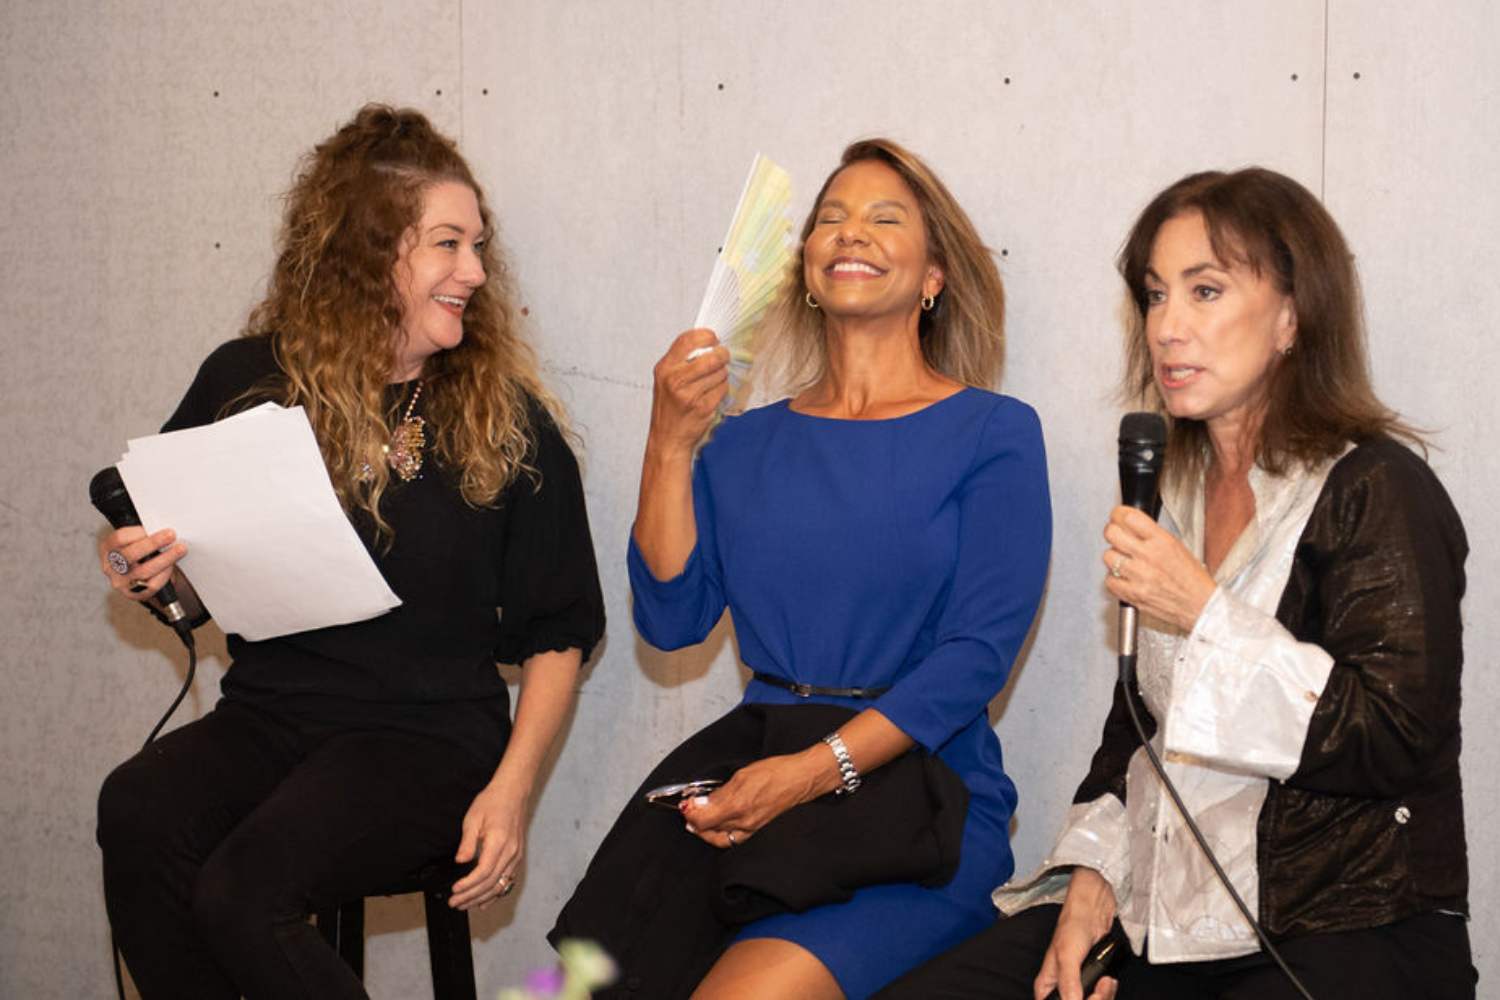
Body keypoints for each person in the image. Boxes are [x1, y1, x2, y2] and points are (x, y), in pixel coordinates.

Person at [877, 167, 1475, 1000]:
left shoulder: (1376, 488)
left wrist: (1203, 612)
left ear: (1294, 318)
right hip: (1164, 915)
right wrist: (1092, 871)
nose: (1168, 328)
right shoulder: (1174, 499)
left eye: (1205, 291)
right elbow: (1138, 725)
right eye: (1156, 296)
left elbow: (1394, 738)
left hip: (1337, 927)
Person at [94, 104, 605, 999]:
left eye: (478, 246)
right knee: (135, 808)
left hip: (428, 741)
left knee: (242, 893)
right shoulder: (246, 382)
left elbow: (560, 632)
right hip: (273, 716)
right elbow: (192, 571)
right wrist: (150, 565)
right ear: (370, 251)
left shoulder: (507, 421)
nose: (476, 272)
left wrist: (511, 795)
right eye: (448, 245)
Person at [556, 139, 1051, 999]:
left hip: (917, 804)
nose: (850, 233)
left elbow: (974, 659)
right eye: (831, 219)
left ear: (934, 275)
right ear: (806, 269)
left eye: (884, 218)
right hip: (752, 779)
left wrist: (815, 772)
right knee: (577, 983)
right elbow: (670, 622)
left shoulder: (994, 433)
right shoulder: (741, 442)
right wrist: (670, 445)